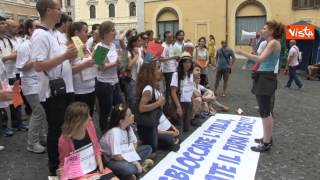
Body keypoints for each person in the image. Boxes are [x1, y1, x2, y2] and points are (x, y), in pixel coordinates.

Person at [31, 0, 78, 175]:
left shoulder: (51, 33)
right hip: (52, 92)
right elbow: (38, 65)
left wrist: (68, 56)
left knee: (63, 128)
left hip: (61, 89)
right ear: (49, 11)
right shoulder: (40, 35)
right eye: (58, 9)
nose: (61, 12)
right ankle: (54, 168)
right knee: (56, 130)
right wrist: (65, 55)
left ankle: (64, 162)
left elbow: (57, 60)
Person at [236, 20, 283, 152]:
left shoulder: (273, 42)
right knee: (265, 111)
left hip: (265, 78)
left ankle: (266, 142)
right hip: (265, 77)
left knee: (264, 112)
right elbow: (260, 57)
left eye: (264, 28)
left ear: (271, 31)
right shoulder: (271, 42)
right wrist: (253, 48)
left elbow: (260, 59)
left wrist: (242, 52)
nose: (261, 30)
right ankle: (267, 138)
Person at [58, 102, 118, 180]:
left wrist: (100, 167)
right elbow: (64, 165)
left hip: (95, 169)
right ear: (79, 121)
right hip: (79, 176)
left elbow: (96, 147)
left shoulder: (90, 125)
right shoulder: (64, 140)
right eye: (87, 116)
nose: (90, 118)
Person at [16, 19, 47, 153]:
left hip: (41, 83)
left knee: (42, 113)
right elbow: (21, 66)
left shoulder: (39, 44)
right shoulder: (24, 46)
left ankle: (41, 137)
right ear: (29, 30)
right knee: (38, 113)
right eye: (36, 27)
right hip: (31, 83)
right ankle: (32, 143)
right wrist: (35, 59)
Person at [100, 104, 153, 180]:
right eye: (130, 115)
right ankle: (135, 169)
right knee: (128, 168)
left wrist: (132, 157)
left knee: (148, 148)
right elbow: (117, 157)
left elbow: (135, 143)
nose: (133, 115)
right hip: (112, 160)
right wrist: (134, 161)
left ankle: (132, 172)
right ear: (121, 121)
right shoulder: (115, 133)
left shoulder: (128, 127)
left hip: (125, 155)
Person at [95, 21, 124, 132]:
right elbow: (100, 66)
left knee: (120, 107)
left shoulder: (112, 45)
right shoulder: (100, 46)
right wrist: (115, 63)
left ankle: (117, 129)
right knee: (105, 111)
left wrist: (120, 64)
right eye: (112, 30)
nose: (115, 32)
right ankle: (105, 133)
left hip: (115, 82)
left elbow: (116, 61)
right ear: (105, 33)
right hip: (104, 84)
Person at [66, 21, 97, 116]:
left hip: (90, 88)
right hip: (79, 91)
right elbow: (68, 70)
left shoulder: (83, 46)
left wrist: (97, 58)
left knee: (88, 118)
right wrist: (86, 64)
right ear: (76, 32)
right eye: (85, 31)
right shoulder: (71, 47)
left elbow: (91, 63)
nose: (88, 34)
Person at [136, 63, 165, 153]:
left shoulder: (153, 86)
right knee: (153, 151)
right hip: (147, 124)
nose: (159, 71)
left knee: (170, 140)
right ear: (151, 73)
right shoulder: (148, 89)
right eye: (157, 69)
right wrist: (158, 103)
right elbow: (141, 108)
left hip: (153, 123)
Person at [170, 52, 194, 133]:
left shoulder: (190, 74)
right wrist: (178, 106)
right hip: (180, 103)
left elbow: (191, 89)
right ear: (181, 63)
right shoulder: (176, 75)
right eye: (185, 62)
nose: (188, 64)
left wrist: (192, 102)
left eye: (189, 62)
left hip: (188, 103)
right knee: (179, 129)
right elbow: (173, 92)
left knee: (186, 128)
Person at [160, 31, 179, 99]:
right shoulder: (163, 46)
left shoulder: (171, 45)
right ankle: (167, 105)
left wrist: (176, 59)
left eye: (172, 37)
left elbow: (172, 56)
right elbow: (161, 59)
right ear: (165, 38)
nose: (171, 39)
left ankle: (171, 104)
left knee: (173, 88)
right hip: (167, 71)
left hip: (173, 69)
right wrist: (173, 57)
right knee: (169, 89)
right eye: (169, 37)